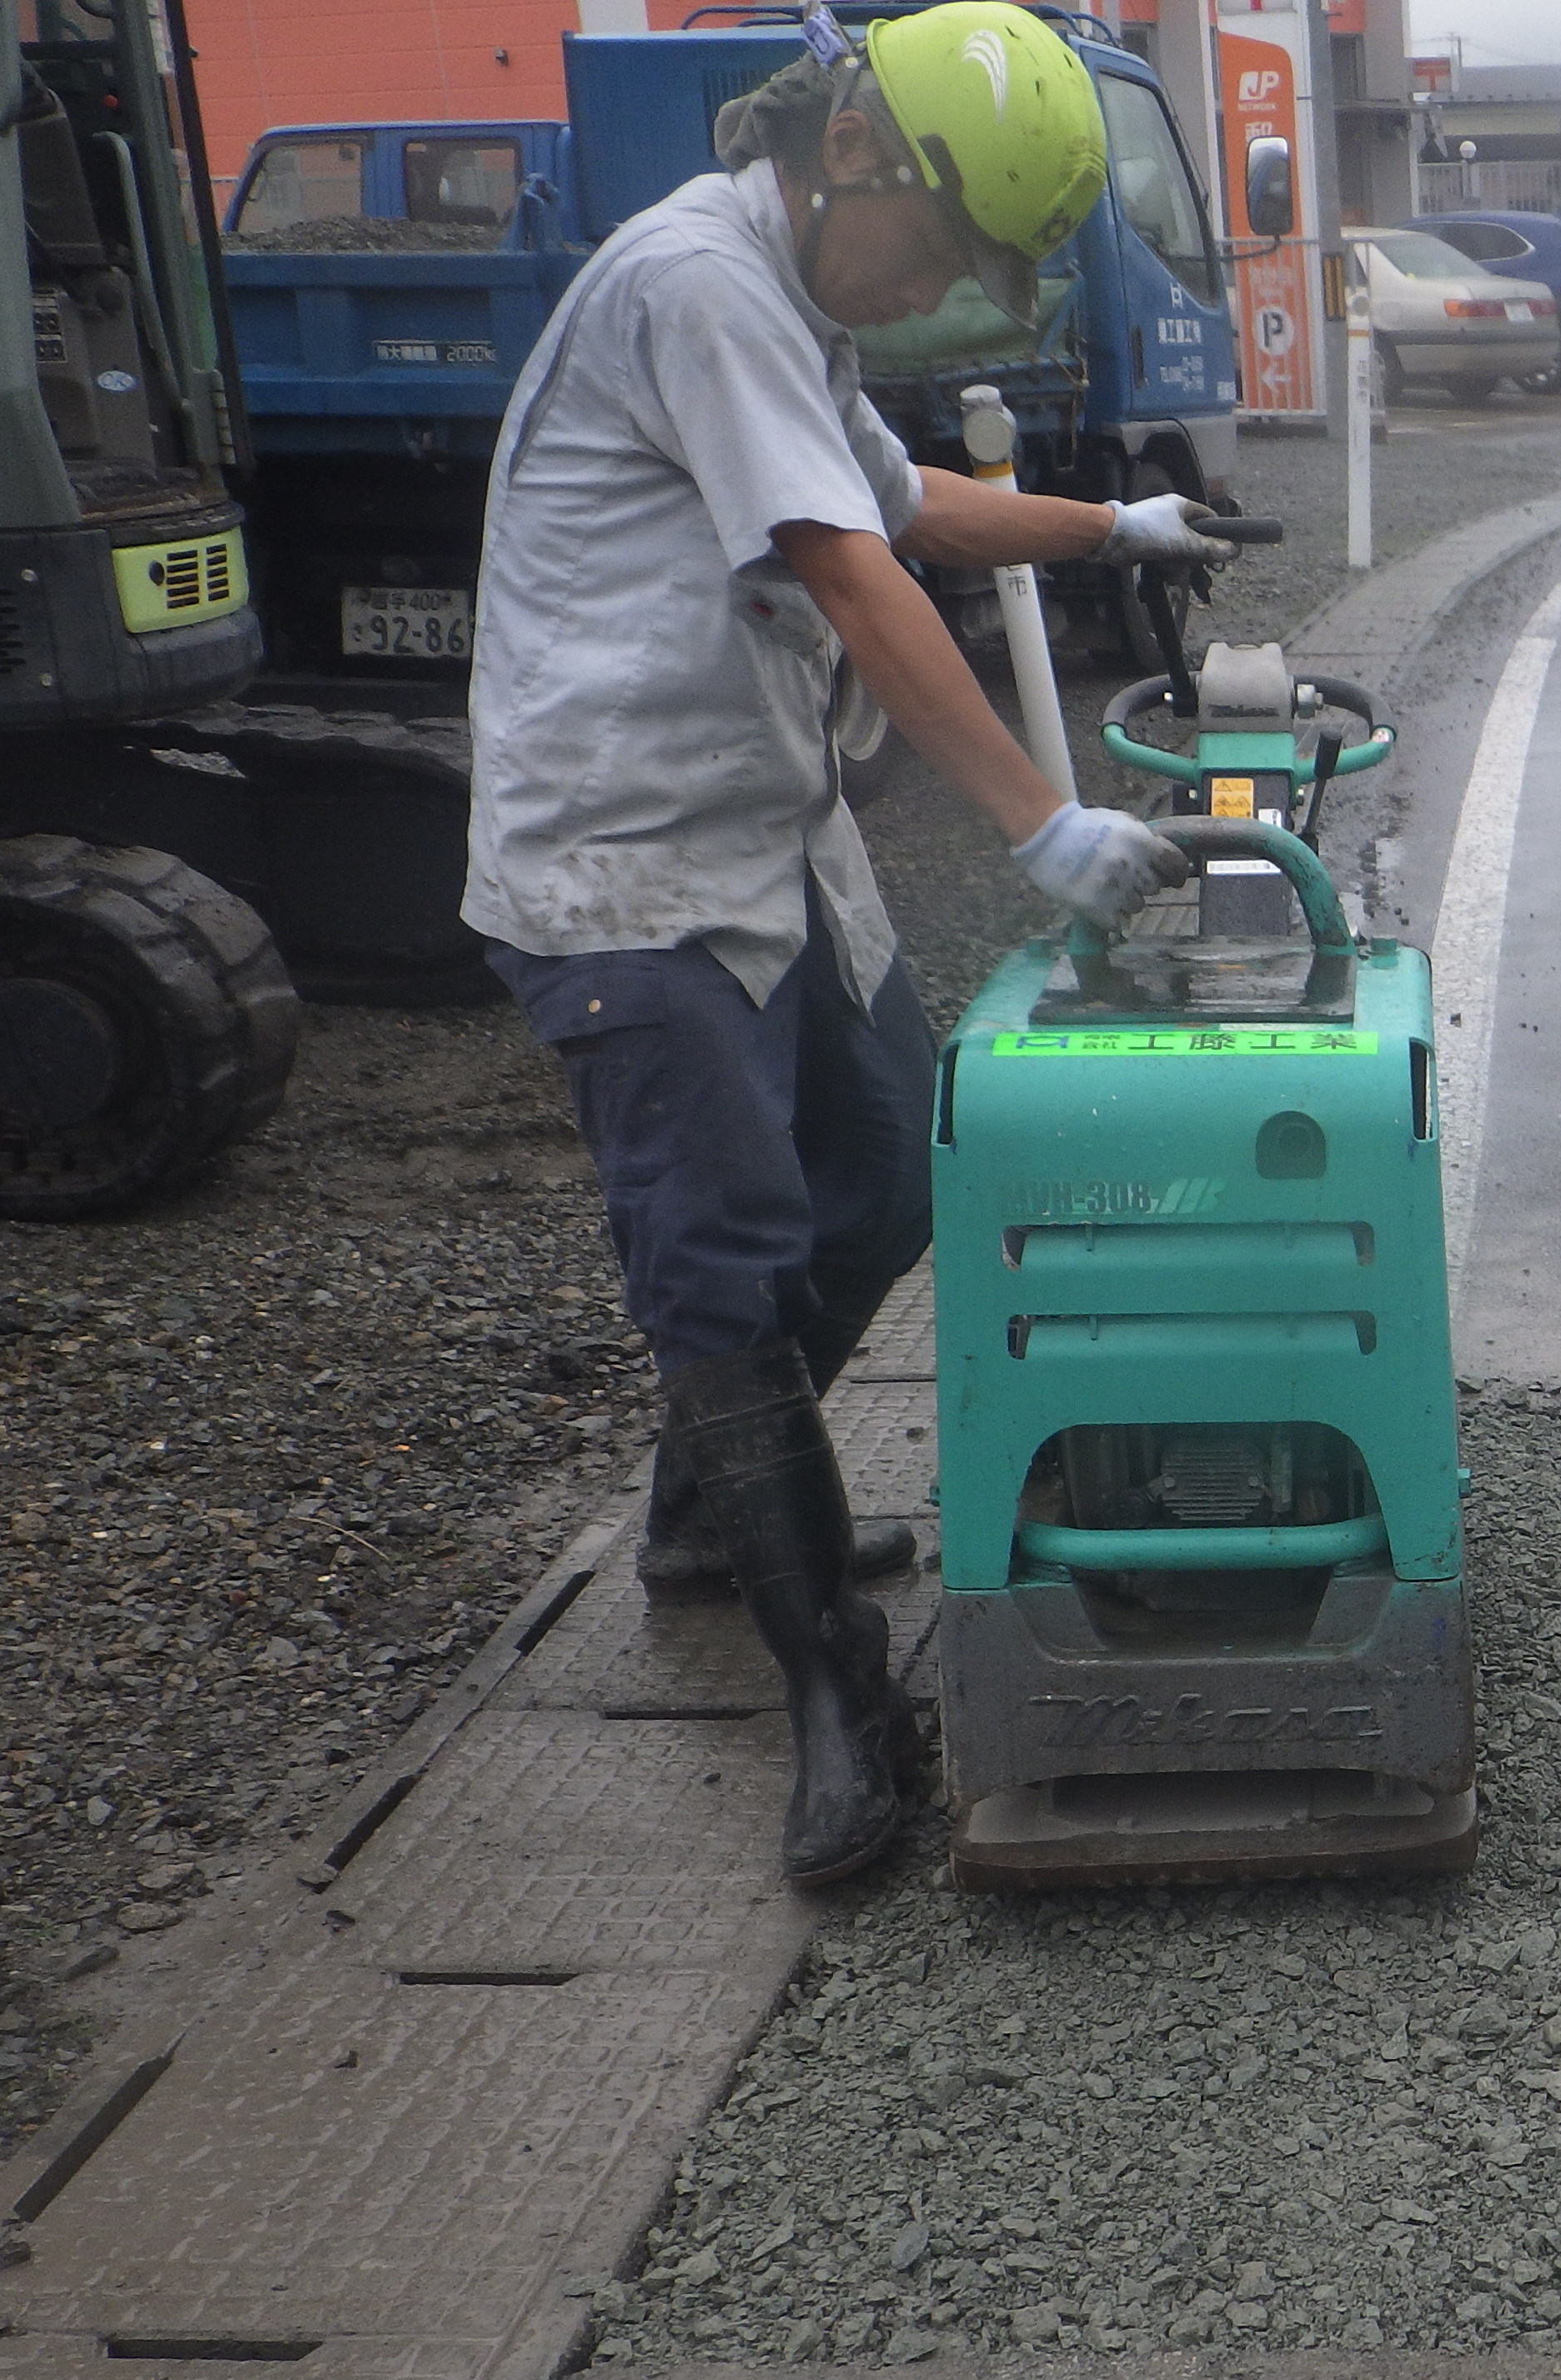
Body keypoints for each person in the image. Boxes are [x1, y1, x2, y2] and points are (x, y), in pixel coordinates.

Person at [464, 0, 1221, 1885]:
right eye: (954, 250)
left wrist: (1113, 523)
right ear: (859, 152)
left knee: (886, 1167)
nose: (949, 291)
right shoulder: (701, 286)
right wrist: (1039, 822)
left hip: (767, 827)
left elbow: (902, 500)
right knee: (720, 1257)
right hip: (623, 861)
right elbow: (851, 570)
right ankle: (834, 1692)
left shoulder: (794, 306)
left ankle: (703, 1512)